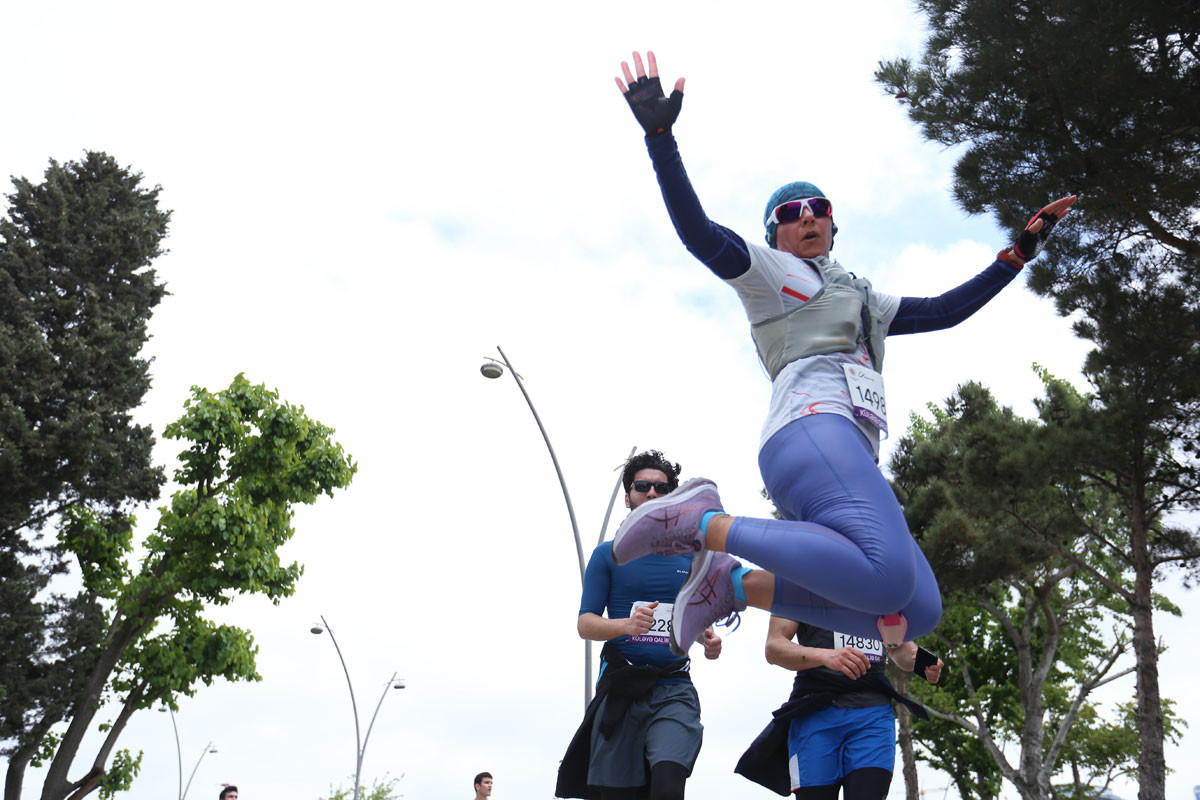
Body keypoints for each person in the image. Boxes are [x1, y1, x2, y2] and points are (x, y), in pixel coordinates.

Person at [608, 50, 1076, 654]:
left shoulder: (862, 297)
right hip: (809, 429)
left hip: (848, 449)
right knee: (886, 578)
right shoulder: (775, 274)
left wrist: (1015, 256)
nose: (808, 219)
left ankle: (732, 584)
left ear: (834, 226)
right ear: (775, 233)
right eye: (791, 214)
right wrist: (661, 140)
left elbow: (945, 311)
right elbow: (700, 234)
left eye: (819, 211)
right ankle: (699, 522)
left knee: (914, 612)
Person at [556, 451, 722, 800]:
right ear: (628, 496)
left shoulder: (693, 557)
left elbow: (695, 617)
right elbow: (585, 625)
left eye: (661, 488)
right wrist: (626, 626)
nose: (651, 493)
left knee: (668, 785)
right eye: (642, 486)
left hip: (674, 688)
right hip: (622, 686)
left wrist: (707, 637)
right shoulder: (606, 555)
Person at [735, 618, 943, 798]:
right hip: (815, 714)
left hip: (873, 714)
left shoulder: (880, 590)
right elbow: (774, 647)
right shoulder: (799, 588)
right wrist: (825, 656)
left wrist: (923, 662)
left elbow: (898, 647)